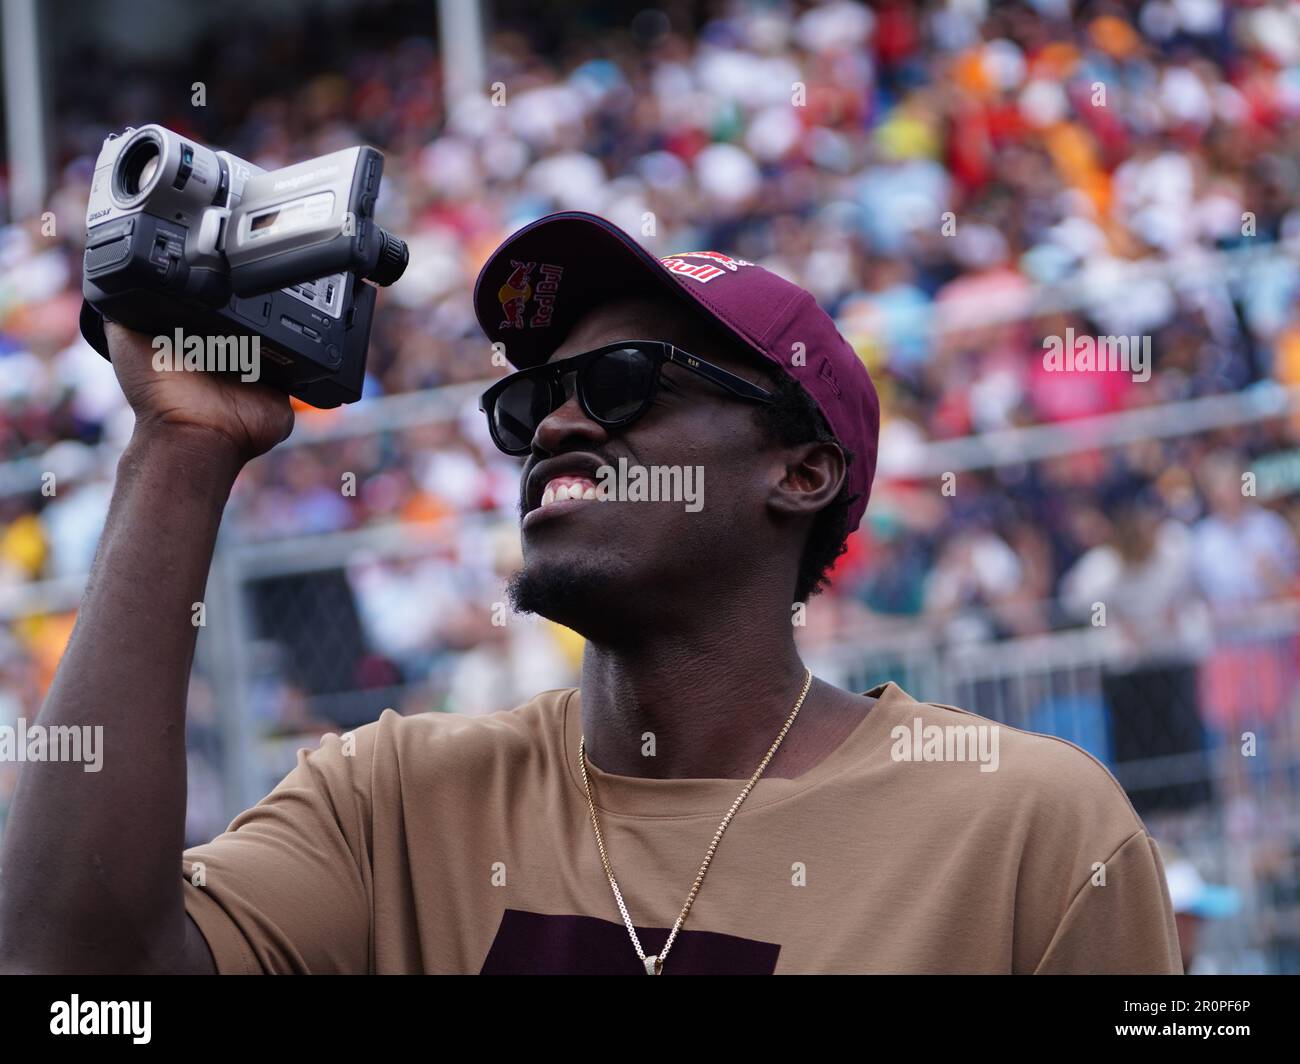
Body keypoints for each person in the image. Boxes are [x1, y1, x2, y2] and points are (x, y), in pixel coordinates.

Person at [0, 211, 1182, 974]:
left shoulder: (1030, 830)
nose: (556, 422)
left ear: (801, 468)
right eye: (531, 401)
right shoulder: (391, 800)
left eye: (624, 383)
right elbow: (70, 981)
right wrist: (181, 444)